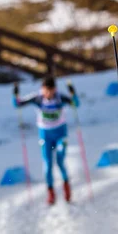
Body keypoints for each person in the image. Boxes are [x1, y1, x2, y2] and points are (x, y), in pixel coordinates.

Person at [13, 75, 79, 204]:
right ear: (42, 89)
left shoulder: (60, 98)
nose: (48, 93)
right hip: (45, 136)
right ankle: (51, 193)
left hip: (60, 134)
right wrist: (15, 94)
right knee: (48, 164)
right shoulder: (37, 98)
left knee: (60, 161)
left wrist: (73, 92)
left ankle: (66, 188)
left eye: (50, 90)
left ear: (55, 89)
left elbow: (75, 104)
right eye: (45, 90)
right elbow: (18, 104)